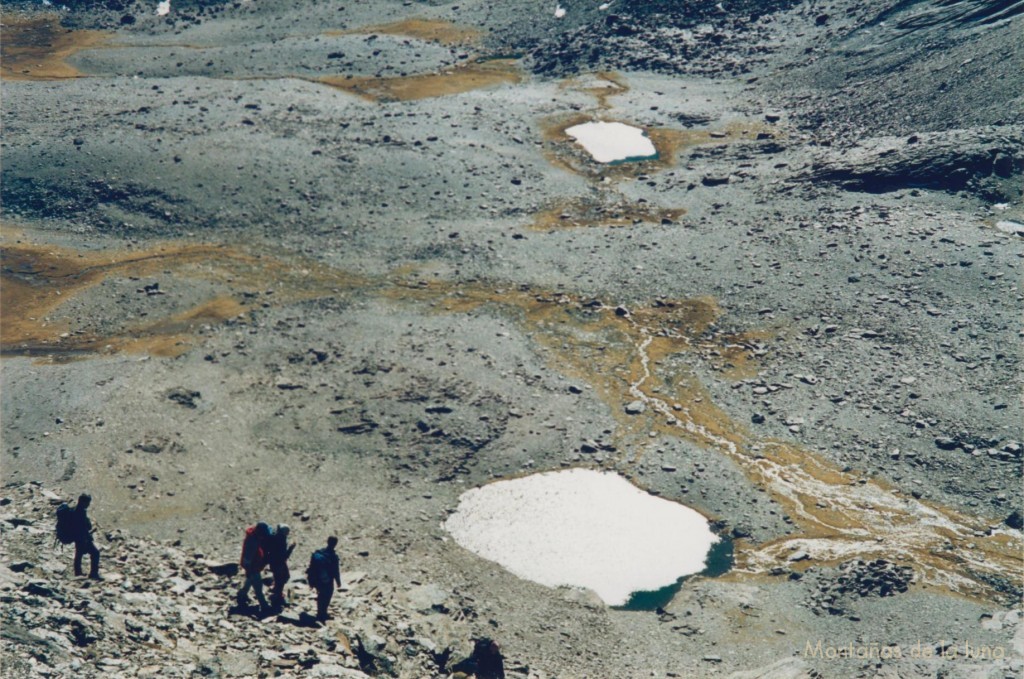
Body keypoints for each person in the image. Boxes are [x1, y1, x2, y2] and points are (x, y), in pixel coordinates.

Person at [237, 522, 271, 611]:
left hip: (254, 566)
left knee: (249, 581)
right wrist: (248, 569)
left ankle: (241, 595)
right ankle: (264, 605)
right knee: (258, 587)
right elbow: (248, 557)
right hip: (252, 567)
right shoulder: (252, 541)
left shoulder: (254, 537)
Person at [307, 536, 341, 622]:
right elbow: (336, 570)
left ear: (327, 541)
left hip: (318, 579)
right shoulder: (333, 556)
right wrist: (338, 582)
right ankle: (323, 614)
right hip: (328, 580)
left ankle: (320, 613)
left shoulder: (319, 552)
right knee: (326, 596)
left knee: (320, 595)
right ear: (335, 544)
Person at [71, 494, 101, 580]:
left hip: (78, 537)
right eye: (88, 502)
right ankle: (93, 574)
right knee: (95, 553)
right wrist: (88, 537)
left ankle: (78, 572)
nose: (88, 504)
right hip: (83, 538)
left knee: (79, 554)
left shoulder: (75, 510)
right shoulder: (81, 512)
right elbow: (85, 527)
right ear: (83, 502)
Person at [266, 524, 295, 611]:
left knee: (278, 577)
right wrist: (291, 548)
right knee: (283, 577)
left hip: (273, 562)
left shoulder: (275, 538)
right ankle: (277, 596)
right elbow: (284, 556)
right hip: (279, 563)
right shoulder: (281, 541)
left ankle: (276, 592)